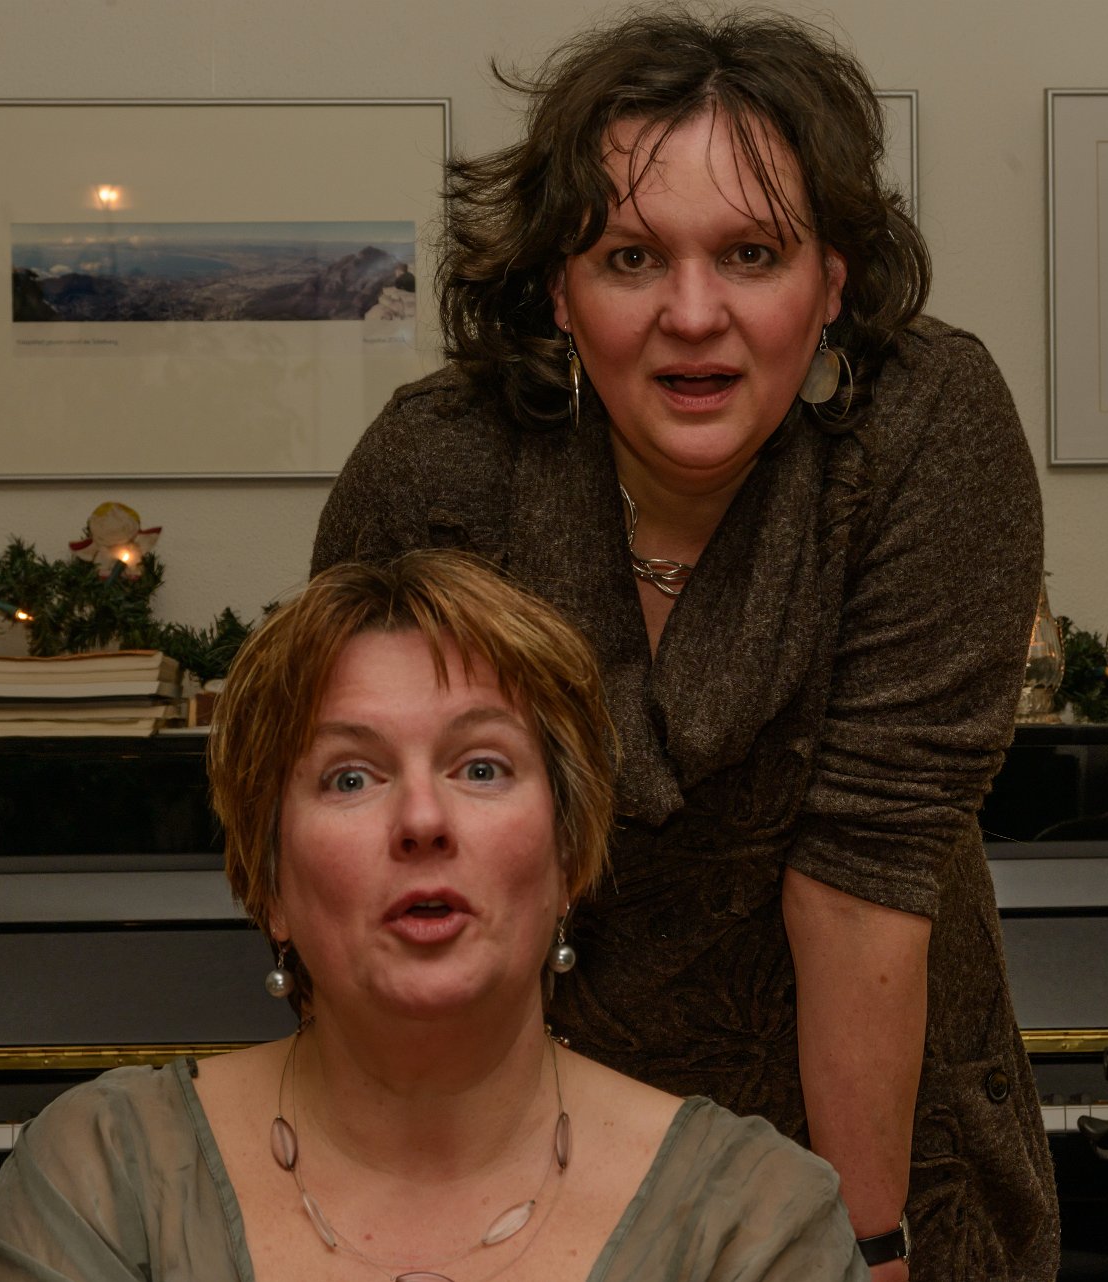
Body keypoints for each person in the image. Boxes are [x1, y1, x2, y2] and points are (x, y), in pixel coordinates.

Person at [312, 12, 1057, 1279]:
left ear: (831, 282)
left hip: (878, 1143)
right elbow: (356, 855)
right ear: (560, 287)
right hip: (513, 1156)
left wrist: (861, 1250)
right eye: (632, 257)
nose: (694, 314)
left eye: (752, 253)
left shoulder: (927, 431)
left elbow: (862, 883)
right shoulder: (435, 473)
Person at [0, 552, 869, 1282]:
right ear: (269, 883)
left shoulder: (754, 1224)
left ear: (569, 856)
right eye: (350, 777)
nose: (423, 820)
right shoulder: (102, 1186)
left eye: (481, 768)